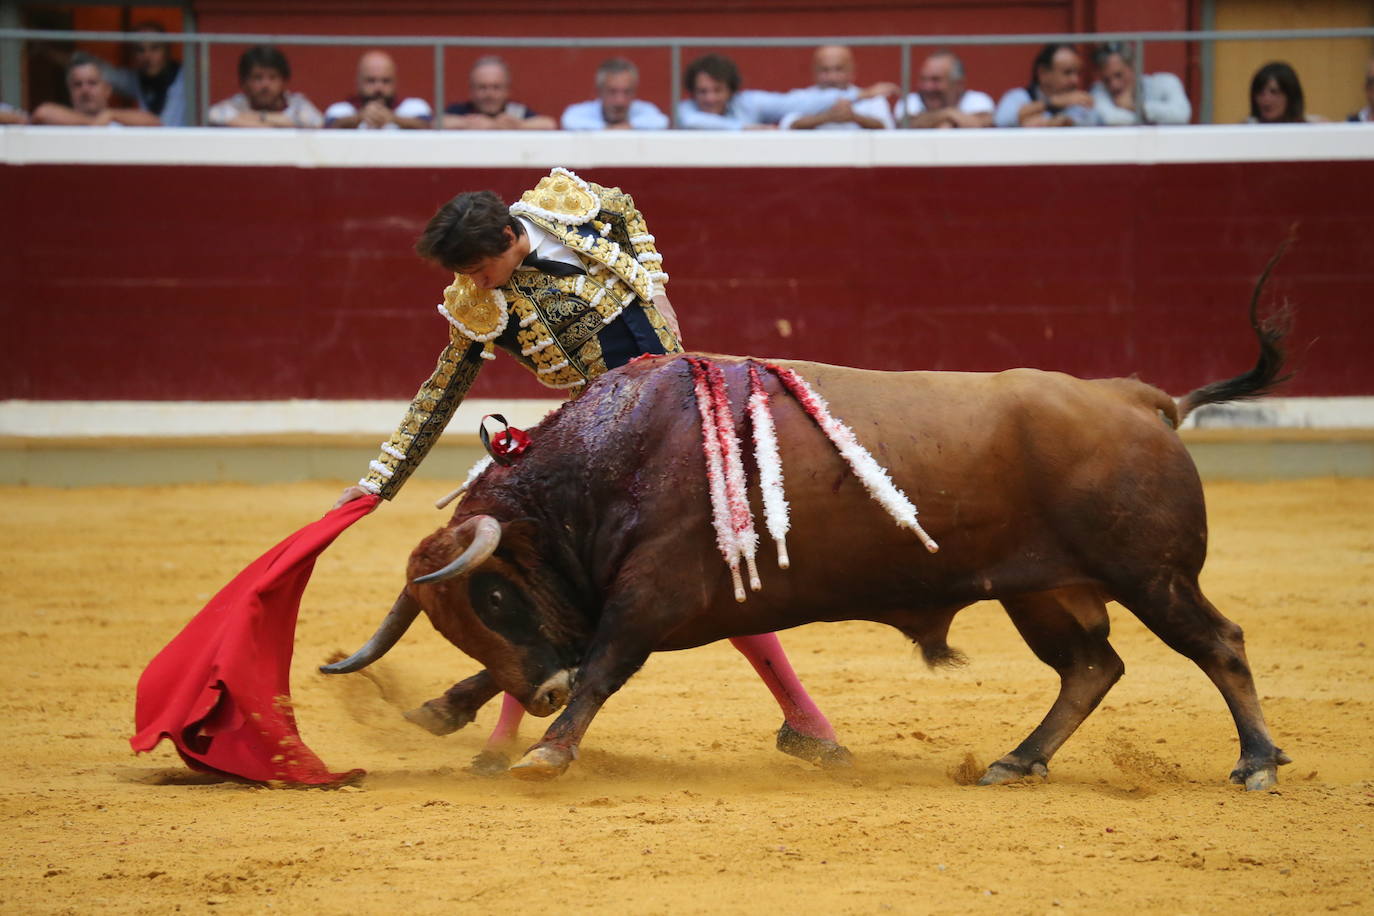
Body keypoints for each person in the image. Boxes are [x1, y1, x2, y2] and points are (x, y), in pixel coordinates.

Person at [333, 168, 846, 770]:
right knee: (541, 578)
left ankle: (803, 716)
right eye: (465, 274)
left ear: (508, 233)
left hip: (674, 417)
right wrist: (378, 482)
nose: (473, 283)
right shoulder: (480, 302)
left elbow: (635, 236)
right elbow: (440, 392)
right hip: (592, 435)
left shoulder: (573, 207)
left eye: (478, 268)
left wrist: (660, 309)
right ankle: (503, 736)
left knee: (708, 562)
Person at [677, 52, 889, 130]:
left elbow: (796, 104)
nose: (710, 98)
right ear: (693, 93)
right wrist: (745, 128)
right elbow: (691, 121)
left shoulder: (748, 102)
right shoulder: (686, 110)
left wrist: (857, 95)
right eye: (702, 92)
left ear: (731, 91)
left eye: (717, 90)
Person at [780, 45, 895, 131]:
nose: (832, 77)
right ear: (814, 72)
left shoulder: (873, 99)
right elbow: (787, 125)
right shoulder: (800, 97)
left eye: (839, 69)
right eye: (825, 70)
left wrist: (855, 117)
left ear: (852, 71)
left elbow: (888, 128)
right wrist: (825, 117)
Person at [207, 45, 323, 128]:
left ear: (283, 81)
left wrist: (260, 118)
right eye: (258, 78)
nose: (265, 85)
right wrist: (283, 123)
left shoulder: (297, 103)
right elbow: (213, 115)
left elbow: (316, 122)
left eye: (272, 78)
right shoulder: (237, 104)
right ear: (244, 82)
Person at [31, 53, 160, 126]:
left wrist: (111, 115)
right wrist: (93, 122)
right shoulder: (61, 121)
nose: (85, 90)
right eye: (78, 84)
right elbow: (41, 113)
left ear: (107, 90)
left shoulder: (116, 121)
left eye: (92, 83)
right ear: (70, 93)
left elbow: (154, 122)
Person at [993, 43, 1102, 128]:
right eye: (1067, 72)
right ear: (1043, 73)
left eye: (1077, 73)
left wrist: (1053, 123)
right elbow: (1001, 120)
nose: (1075, 80)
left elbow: (1094, 121)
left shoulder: (1080, 102)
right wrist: (1051, 103)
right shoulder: (1018, 96)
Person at [324, 50, 432, 130]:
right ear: (358, 82)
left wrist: (394, 119)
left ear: (395, 82)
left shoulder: (413, 107)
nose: (378, 88)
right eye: (371, 81)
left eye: (386, 81)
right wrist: (359, 118)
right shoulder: (342, 109)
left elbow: (428, 126)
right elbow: (329, 127)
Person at [107, 22, 188, 127]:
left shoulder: (187, 78)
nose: (147, 57)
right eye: (140, 50)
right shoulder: (136, 80)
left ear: (167, 50)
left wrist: (111, 114)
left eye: (155, 48)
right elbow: (104, 74)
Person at [1089, 42, 1190, 126]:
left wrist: (1137, 107)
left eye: (1119, 75)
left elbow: (1182, 115)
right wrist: (1156, 119)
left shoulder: (1165, 82)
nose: (1114, 85)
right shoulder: (1099, 90)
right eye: (1106, 80)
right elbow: (1111, 119)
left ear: (1134, 67)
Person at [442, 56, 556, 130]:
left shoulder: (515, 112)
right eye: (482, 87)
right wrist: (467, 123)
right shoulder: (461, 110)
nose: (489, 94)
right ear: (471, 91)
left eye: (496, 88)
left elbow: (549, 124)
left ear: (507, 91)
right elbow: (438, 122)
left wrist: (518, 125)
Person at [560, 57, 668, 130]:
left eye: (627, 92)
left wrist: (628, 127)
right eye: (612, 92)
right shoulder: (582, 112)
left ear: (634, 92)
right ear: (599, 91)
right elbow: (569, 120)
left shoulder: (645, 110)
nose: (620, 101)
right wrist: (606, 129)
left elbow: (661, 121)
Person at [894, 50, 994, 128]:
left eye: (936, 80)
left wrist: (933, 121)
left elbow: (982, 124)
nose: (927, 87)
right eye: (923, 79)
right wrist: (949, 114)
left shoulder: (977, 100)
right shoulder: (910, 101)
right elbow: (905, 125)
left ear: (958, 83)